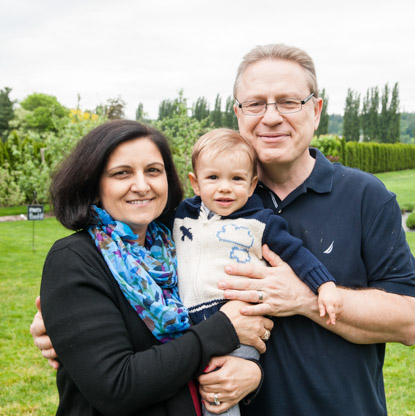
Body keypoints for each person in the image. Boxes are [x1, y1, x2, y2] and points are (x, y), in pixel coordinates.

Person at [32, 44, 415, 415]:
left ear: (317, 109)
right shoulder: (191, 211)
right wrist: (60, 321)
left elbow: (409, 321)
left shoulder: (365, 197)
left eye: (289, 101)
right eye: (255, 103)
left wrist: (304, 299)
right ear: (238, 112)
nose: (271, 116)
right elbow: (121, 266)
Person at [38, 119, 273, 415]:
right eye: (122, 173)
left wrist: (251, 373)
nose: (142, 185)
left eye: (153, 171)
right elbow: (116, 387)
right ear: (94, 185)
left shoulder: (176, 245)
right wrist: (222, 330)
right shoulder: (75, 259)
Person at [175, 128, 342, 416]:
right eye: (213, 178)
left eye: (237, 179)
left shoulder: (259, 222)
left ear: (252, 186)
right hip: (189, 327)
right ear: (195, 183)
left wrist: (325, 285)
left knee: (220, 397)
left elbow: (296, 254)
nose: (225, 188)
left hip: (239, 329)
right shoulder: (182, 216)